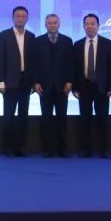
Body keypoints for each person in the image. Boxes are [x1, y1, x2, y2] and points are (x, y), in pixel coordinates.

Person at [72, 13, 111, 158]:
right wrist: (75, 88)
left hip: (102, 87)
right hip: (84, 86)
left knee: (102, 119)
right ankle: (86, 149)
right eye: (87, 24)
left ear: (98, 26)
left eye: (92, 24)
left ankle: (103, 150)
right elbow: (74, 68)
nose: (90, 26)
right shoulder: (78, 45)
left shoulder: (107, 44)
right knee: (85, 119)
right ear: (83, 26)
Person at [31, 13, 74, 158]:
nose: (52, 25)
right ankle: (48, 149)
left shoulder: (67, 41)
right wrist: (35, 82)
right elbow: (34, 64)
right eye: (49, 23)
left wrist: (70, 81)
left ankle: (62, 149)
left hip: (63, 87)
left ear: (59, 24)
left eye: (55, 22)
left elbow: (71, 63)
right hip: (44, 87)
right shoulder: (38, 41)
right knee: (46, 119)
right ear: (45, 25)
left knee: (62, 118)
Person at [0, 5, 35, 156]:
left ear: (27, 18)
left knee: (23, 116)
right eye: (17, 16)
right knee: (9, 116)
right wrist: (0, 81)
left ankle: (21, 147)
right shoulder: (4, 35)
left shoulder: (31, 36)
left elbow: (34, 61)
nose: (20, 18)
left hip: (26, 81)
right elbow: (0, 59)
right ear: (12, 18)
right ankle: (8, 147)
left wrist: (33, 81)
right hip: (9, 82)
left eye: (23, 16)